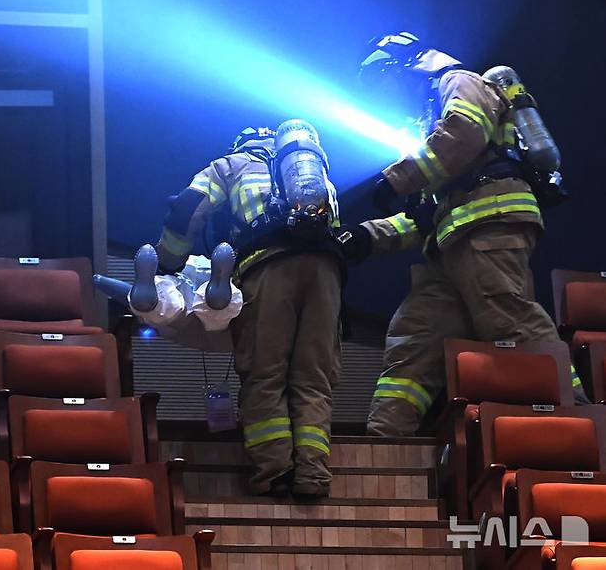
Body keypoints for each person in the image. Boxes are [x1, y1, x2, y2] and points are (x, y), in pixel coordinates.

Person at [340, 32, 586, 436]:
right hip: (451, 245)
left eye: (380, 81)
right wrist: (365, 236)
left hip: (488, 226)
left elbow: (465, 132)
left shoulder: (458, 81)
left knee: (511, 322)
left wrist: (398, 178)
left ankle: (584, 422)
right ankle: (386, 441)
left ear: (403, 68)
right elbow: (425, 217)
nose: (380, 94)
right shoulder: (428, 122)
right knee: (414, 340)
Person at [153, 120, 344, 497]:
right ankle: (312, 473)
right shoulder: (313, 172)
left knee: (264, 371)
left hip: (268, 267)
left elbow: (188, 208)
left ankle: (273, 471)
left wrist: (169, 262)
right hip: (326, 271)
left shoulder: (232, 165)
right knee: (314, 377)